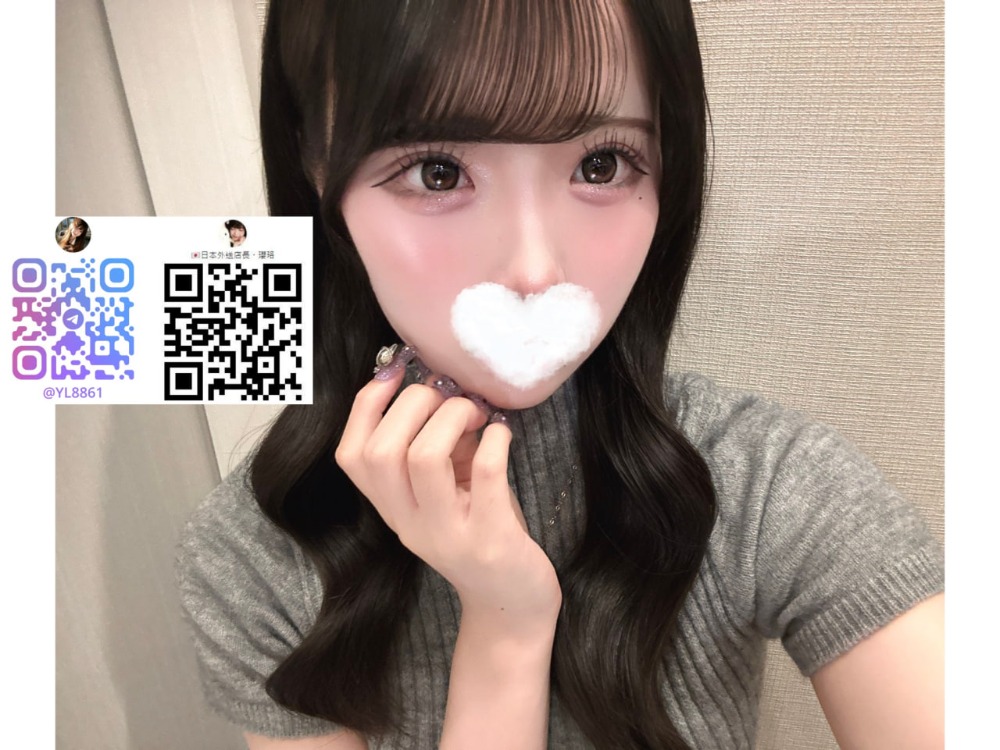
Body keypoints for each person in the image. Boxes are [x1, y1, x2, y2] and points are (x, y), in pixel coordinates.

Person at [176, 1, 944, 748]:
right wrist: (504, 628)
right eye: (438, 173)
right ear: (315, 166)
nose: (535, 269)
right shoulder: (252, 558)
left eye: (601, 164)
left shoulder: (764, 485)